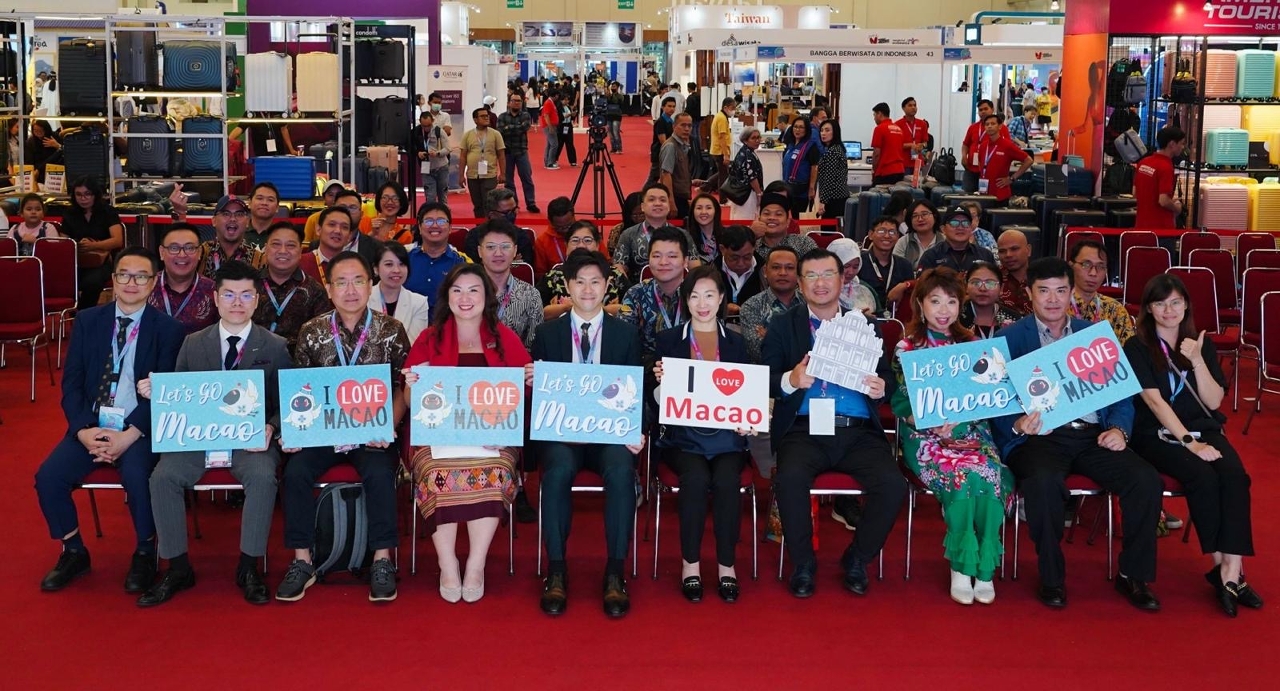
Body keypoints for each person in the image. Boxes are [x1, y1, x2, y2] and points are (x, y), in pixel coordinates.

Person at [991, 257, 1163, 611]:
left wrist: (1119, 429)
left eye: (1060, 290)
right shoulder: (1009, 338)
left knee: (1145, 479)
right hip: (1038, 439)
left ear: (1072, 292)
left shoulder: (1092, 335)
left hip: (1092, 434)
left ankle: (1133, 574)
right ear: (1029, 294)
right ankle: (1051, 575)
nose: (1053, 299)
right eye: (1044, 291)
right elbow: (995, 399)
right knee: (1042, 483)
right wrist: (1017, 423)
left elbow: (1121, 394)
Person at [135, 260, 293, 607]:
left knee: (263, 477)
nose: (237, 302)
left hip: (250, 440)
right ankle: (177, 568)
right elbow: (179, 395)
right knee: (162, 477)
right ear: (216, 299)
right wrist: (158, 391)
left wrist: (272, 426)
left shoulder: (274, 345)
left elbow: (287, 401)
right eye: (229, 295)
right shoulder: (192, 343)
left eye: (246, 295)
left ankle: (249, 566)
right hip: (198, 437)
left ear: (256, 300)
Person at [33, 247, 185, 594]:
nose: (132, 283)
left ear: (154, 282)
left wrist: (129, 435)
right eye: (124, 275)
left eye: (141, 276)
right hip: (92, 424)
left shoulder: (169, 329)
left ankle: (145, 551)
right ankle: (73, 551)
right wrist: (84, 431)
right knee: (49, 478)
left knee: (137, 475)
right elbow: (72, 384)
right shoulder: (89, 321)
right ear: (113, 279)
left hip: (139, 428)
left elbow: (166, 393)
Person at [762, 248, 906, 598]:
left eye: (828, 274)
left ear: (843, 280)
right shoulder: (783, 325)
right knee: (790, 479)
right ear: (800, 284)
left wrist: (881, 387)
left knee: (893, 486)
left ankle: (857, 558)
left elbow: (888, 379)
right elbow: (765, 379)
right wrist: (791, 380)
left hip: (858, 430)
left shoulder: (867, 326)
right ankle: (803, 563)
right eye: (811, 276)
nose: (820, 283)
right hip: (805, 429)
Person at [275, 251, 410, 604]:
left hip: (371, 433)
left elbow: (403, 386)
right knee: (295, 473)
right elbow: (301, 391)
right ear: (330, 289)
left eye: (358, 281)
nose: (350, 290)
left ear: (370, 285)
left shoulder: (391, 330)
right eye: (341, 282)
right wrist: (295, 432)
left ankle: (382, 559)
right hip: (324, 431)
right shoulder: (312, 331)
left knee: (380, 474)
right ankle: (302, 560)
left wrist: (389, 426)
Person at [1125, 274, 1262, 617]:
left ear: (1186, 305)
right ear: (1149, 309)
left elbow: (1213, 402)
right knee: (1202, 476)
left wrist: (1198, 360)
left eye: (1175, 302)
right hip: (1156, 434)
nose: (1168, 310)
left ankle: (1230, 571)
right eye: (1160, 303)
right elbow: (1154, 402)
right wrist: (1189, 443)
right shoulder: (1137, 346)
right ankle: (1224, 570)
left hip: (1202, 428)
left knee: (1235, 476)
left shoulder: (1201, 344)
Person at [403, 264, 531, 603]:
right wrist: (412, 385)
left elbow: (522, 394)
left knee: (496, 469)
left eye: (474, 290)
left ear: (487, 296)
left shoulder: (504, 337)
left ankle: (476, 563)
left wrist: (529, 380)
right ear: (446, 296)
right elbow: (411, 401)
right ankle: (447, 563)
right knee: (434, 471)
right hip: (438, 437)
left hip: (491, 437)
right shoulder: (429, 338)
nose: (465, 297)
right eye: (457, 290)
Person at [529, 250, 646, 618]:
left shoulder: (626, 334)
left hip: (609, 433)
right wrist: (532, 382)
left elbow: (636, 391)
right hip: (563, 434)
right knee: (557, 471)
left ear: (608, 286)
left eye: (596, 281)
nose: (588, 289)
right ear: (567, 286)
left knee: (622, 472)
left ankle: (615, 571)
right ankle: (556, 569)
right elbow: (541, 396)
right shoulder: (547, 333)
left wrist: (636, 429)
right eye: (580, 282)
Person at [892, 269, 1012, 604]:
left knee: (988, 476)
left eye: (951, 301)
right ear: (920, 304)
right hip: (925, 436)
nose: (943, 310)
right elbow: (901, 402)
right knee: (960, 475)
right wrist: (928, 422)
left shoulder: (974, 346)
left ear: (961, 305)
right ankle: (961, 566)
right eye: (935, 301)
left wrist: (966, 415)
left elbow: (990, 397)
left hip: (972, 431)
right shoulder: (907, 348)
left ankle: (985, 567)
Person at [652, 265, 752, 603]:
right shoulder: (668, 341)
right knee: (694, 480)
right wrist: (662, 384)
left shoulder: (737, 343)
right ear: (686, 301)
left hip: (727, 439)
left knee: (726, 481)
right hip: (682, 440)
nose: (702, 303)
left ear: (722, 298)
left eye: (709, 295)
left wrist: (747, 418)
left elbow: (748, 395)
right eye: (694, 296)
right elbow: (655, 402)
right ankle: (690, 564)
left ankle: (727, 566)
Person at [252, 222, 332, 355]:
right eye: (276, 244)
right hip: (254, 360)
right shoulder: (249, 285)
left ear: (300, 252)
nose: (283, 251)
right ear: (266, 249)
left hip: (298, 362)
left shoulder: (315, 291)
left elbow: (322, 338)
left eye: (290, 245)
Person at [622, 226, 692, 360]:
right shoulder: (636, 294)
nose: (663, 262)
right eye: (656, 256)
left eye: (672, 256)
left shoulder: (697, 294)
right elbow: (624, 340)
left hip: (690, 366)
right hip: (645, 368)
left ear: (685, 261)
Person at [476, 218, 544, 348]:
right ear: (480, 251)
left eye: (505, 247)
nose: (498, 253)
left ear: (515, 250)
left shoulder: (530, 295)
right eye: (490, 247)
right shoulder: (465, 293)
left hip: (516, 360)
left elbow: (534, 346)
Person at [61, 176, 125, 310]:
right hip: (76, 259)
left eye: (87, 194)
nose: (83, 199)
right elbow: (63, 241)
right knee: (63, 279)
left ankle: (82, 313)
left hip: (102, 260)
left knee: (92, 282)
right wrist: (78, 245)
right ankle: (78, 312)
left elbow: (117, 240)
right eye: (79, 195)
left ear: (95, 194)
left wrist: (93, 245)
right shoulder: (69, 213)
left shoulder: (107, 211)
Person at [541, 227, 631, 319]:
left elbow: (631, 309)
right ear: (566, 245)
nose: (581, 245)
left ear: (597, 245)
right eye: (575, 240)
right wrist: (568, 308)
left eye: (587, 240)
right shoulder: (554, 276)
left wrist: (597, 309)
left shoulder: (615, 274)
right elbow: (537, 311)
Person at [612, 182, 695, 279]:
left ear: (669, 205)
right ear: (642, 206)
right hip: (638, 286)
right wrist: (629, 287)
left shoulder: (682, 235)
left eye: (663, 200)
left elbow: (694, 266)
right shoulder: (628, 234)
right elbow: (618, 266)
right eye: (651, 200)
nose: (657, 203)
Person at [739, 245, 804, 364]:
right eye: (776, 267)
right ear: (765, 271)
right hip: (766, 373)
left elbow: (816, 347)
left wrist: (770, 337)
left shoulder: (809, 302)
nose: (782, 273)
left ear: (799, 272)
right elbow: (758, 353)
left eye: (789, 268)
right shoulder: (752, 306)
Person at [148, 223, 218, 334]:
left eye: (189, 248)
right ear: (162, 252)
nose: (182, 255)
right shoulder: (146, 286)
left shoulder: (214, 290)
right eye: (174, 248)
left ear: (199, 252)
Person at [406, 202, 471, 316]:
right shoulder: (406, 259)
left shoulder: (461, 263)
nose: (435, 226)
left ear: (450, 228)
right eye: (428, 221)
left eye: (441, 221)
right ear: (420, 228)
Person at [1068, 240, 1135, 344]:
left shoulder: (1115, 309)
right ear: (1071, 266)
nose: (1093, 273)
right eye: (1086, 264)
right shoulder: (1058, 307)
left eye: (1100, 267)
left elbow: (1128, 349)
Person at [299, 203, 381, 286]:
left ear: (349, 235)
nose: (338, 231)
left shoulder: (357, 266)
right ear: (318, 229)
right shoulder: (300, 263)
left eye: (344, 227)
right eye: (332, 225)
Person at [369, 242, 431, 344]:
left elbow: (415, 345)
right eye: (389, 264)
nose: (396, 270)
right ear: (376, 269)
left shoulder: (419, 303)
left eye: (402, 264)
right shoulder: (364, 298)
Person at [197, 195, 265, 280]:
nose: (233, 219)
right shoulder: (201, 253)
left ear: (247, 222)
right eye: (226, 214)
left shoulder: (258, 259)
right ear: (214, 221)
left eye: (239, 214)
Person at [464, 188, 537, 265]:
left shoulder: (521, 236)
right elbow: (473, 267)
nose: (512, 215)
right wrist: (511, 263)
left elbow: (525, 267)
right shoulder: (474, 237)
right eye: (506, 212)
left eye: (514, 210)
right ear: (492, 215)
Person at [917, 206, 998, 274]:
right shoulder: (931, 256)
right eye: (954, 223)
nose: (960, 227)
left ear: (971, 228)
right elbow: (923, 285)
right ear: (943, 229)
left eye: (965, 223)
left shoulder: (985, 255)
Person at [973, 114, 1032, 205]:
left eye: (993, 124)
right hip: (984, 192)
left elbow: (1029, 160)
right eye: (987, 124)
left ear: (1000, 126)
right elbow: (981, 164)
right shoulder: (983, 146)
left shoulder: (1007, 145)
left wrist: (1012, 178)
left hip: (1000, 193)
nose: (989, 126)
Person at [1134, 126, 1186, 228]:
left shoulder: (1143, 162)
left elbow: (1135, 192)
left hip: (1141, 224)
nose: (1183, 147)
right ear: (1172, 144)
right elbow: (1163, 201)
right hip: (1160, 227)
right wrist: (1177, 208)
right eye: (1181, 143)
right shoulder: (1166, 167)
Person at [859, 216, 914, 310]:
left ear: (898, 237)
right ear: (871, 235)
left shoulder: (905, 265)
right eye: (881, 231)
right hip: (864, 315)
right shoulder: (859, 262)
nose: (887, 236)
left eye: (892, 232)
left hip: (895, 315)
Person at [461, 107, 507, 218]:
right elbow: (463, 156)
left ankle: (489, 225)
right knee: (477, 204)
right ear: (475, 120)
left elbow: (501, 155)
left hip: (489, 175)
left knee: (489, 204)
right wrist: (461, 175)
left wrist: (503, 174)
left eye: (487, 116)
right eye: (483, 116)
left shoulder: (496, 134)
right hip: (472, 175)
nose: (486, 118)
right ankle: (479, 226)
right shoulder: (468, 135)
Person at [497, 91, 539, 213]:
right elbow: (501, 131)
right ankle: (513, 205)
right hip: (507, 153)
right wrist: (516, 128)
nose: (517, 103)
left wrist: (509, 127)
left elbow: (525, 127)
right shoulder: (502, 116)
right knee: (509, 181)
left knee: (527, 178)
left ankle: (531, 203)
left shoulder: (525, 115)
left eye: (519, 101)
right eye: (514, 101)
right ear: (509, 103)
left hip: (522, 151)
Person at [960, 260, 1022, 338]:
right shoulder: (955, 318)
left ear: (1001, 288)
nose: (983, 289)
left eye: (990, 283)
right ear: (966, 287)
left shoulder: (1015, 319)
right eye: (976, 283)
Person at [712, 224, 765, 313]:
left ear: (754, 248)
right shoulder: (710, 272)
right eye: (734, 258)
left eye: (747, 257)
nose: (741, 263)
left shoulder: (765, 271)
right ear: (722, 249)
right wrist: (720, 309)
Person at [961, 100, 1010, 193]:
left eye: (985, 109)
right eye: (980, 110)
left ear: (992, 109)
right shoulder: (973, 127)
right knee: (968, 195)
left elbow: (1007, 148)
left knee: (986, 196)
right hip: (971, 169)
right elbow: (965, 144)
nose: (983, 112)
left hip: (990, 171)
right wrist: (964, 156)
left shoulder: (1001, 128)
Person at [754, 193, 817, 258]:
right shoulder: (752, 244)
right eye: (766, 213)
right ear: (759, 219)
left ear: (788, 221)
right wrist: (751, 235)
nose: (772, 218)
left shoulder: (803, 243)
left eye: (778, 214)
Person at [828, 238, 880, 315]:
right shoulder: (821, 289)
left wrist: (870, 318)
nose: (851, 272)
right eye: (846, 266)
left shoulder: (864, 289)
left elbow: (881, 315)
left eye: (855, 267)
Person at [658, 112, 695, 219]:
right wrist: (671, 201)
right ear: (674, 126)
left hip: (682, 197)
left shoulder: (683, 145)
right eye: (683, 125)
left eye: (689, 126)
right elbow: (666, 174)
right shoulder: (671, 146)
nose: (687, 129)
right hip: (675, 198)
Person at [781, 117, 819, 217]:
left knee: (798, 217)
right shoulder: (790, 144)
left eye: (801, 127)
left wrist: (811, 188)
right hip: (788, 187)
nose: (797, 130)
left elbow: (814, 167)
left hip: (801, 190)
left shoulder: (811, 146)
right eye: (795, 127)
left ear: (806, 129)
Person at [413, 111, 452, 205]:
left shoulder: (439, 131)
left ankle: (443, 212)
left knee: (442, 196)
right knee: (430, 197)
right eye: (424, 126)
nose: (426, 128)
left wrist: (438, 153)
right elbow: (410, 147)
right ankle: (430, 212)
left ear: (433, 121)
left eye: (429, 125)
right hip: (426, 168)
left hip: (441, 167)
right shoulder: (415, 132)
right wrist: (418, 153)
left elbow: (448, 149)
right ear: (420, 122)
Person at [814, 120, 850, 220]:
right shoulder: (837, 148)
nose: (823, 133)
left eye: (827, 130)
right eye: (821, 130)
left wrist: (823, 202)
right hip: (840, 196)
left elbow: (829, 179)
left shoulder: (832, 152)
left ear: (835, 132)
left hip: (833, 199)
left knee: (829, 228)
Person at [533, 196, 578, 275]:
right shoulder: (542, 242)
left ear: (574, 217)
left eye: (569, 225)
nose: (566, 230)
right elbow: (540, 273)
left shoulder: (588, 235)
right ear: (550, 222)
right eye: (560, 227)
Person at [893, 200, 945, 267]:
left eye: (924, 214)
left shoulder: (945, 241)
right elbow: (896, 268)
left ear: (935, 217)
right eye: (915, 216)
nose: (920, 219)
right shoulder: (903, 242)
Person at [729, 127, 765, 221]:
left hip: (740, 193)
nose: (757, 140)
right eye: (753, 138)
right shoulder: (748, 155)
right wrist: (759, 194)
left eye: (758, 137)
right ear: (745, 140)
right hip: (746, 195)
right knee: (745, 220)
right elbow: (752, 177)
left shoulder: (746, 151)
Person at [997, 228, 1034, 314]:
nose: (1008, 255)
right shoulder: (992, 279)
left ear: (1028, 250)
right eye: (1002, 251)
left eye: (1014, 249)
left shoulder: (1043, 279)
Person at [870, 102, 907, 186]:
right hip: (900, 171)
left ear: (879, 114)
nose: (874, 118)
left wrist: (874, 170)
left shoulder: (879, 128)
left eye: (874, 115)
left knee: (876, 193)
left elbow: (876, 153)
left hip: (885, 172)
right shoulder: (899, 129)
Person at [896, 97, 930, 176]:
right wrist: (910, 145)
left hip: (918, 163)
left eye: (915, 105)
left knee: (918, 183)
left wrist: (921, 145)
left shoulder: (922, 124)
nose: (913, 107)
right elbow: (896, 145)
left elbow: (925, 143)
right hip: (904, 163)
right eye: (910, 105)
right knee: (904, 183)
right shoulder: (898, 124)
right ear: (903, 108)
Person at [687, 193, 725, 264]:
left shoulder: (726, 235)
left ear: (716, 210)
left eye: (708, 208)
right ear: (693, 211)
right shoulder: (686, 237)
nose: (703, 212)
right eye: (699, 208)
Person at [608, 191, 646, 259]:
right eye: (634, 215)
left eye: (642, 214)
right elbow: (612, 255)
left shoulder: (655, 228)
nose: (638, 218)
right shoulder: (618, 230)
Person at [243, 182, 282, 248]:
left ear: (277, 207)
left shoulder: (282, 235)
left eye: (270, 200)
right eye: (259, 198)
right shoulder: (237, 232)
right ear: (249, 203)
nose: (264, 203)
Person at [710, 97, 736, 191]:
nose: (734, 110)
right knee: (723, 176)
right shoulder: (721, 118)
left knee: (723, 172)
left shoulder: (721, 116)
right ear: (725, 107)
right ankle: (722, 197)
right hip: (720, 151)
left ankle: (704, 187)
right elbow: (722, 137)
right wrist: (726, 155)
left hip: (718, 149)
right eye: (732, 108)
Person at [555, 89, 579, 167]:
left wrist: (573, 115)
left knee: (570, 144)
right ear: (561, 100)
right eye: (565, 100)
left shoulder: (568, 107)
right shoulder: (558, 107)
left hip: (568, 126)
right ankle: (554, 159)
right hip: (561, 126)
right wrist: (568, 115)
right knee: (559, 144)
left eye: (567, 100)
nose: (566, 101)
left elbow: (571, 117)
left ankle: (573, 161)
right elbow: (560, 118)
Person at [540, 89, 561, 169]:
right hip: (549, 126)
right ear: (555, 95)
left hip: (550, 125)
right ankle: (550, 162)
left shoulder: (550, 102)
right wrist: (550, 126)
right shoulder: (548, 103)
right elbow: (546, 115)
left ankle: (547, 161)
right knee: (554, 144)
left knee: (549, 144)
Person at [605, 81, 625, 153]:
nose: (613, 88)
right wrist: (607, 91)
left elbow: (617, 101)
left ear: (617, 87)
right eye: (612, 86)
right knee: (610, 133)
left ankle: (619, 148)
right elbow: (606, 100)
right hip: (609, 115)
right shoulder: (609, 95)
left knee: (616, 132)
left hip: (617, 116)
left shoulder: (620, 96)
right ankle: (613, 148)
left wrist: (612, 95)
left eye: (614, 86)